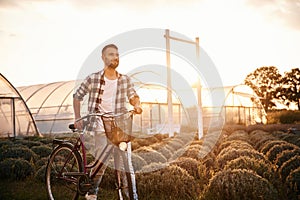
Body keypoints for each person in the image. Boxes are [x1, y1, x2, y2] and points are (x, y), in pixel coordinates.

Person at [73, 44, 142, 200]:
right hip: (99, 124)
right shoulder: (93, 78)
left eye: (117, 55)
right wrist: (77, 118)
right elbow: (77, 96)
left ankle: (132, 196)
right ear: (103, 58)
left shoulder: (125, 80)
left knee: (127, 165)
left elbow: (133, 96)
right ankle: (92, 194)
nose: (115, 57)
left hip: (119, 126)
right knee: (101, 163)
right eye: (111, 54)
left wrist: (136, 104)